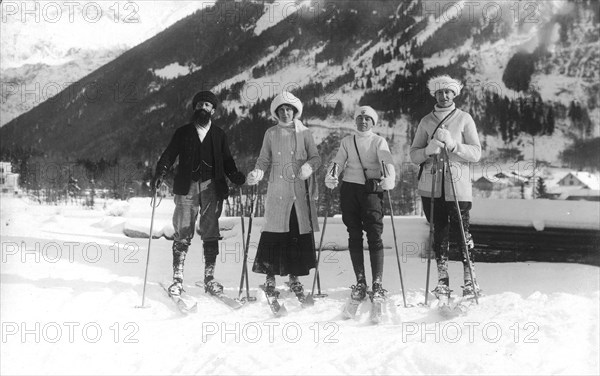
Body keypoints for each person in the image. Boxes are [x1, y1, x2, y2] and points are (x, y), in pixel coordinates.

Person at [153, 90, 246, 297]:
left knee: (211, 230)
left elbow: (228, 160)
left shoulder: (219, 134)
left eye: (207, 105)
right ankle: (177, 278)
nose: (203, 108)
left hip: (212, 187)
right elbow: (169, 155)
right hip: (187, 186)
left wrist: (235, 175)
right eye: (200, 104)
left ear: (213, 110)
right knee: (183, 230)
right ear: (195, 108)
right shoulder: (183, 132)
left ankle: (209, 277)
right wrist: (161, 172)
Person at [409, 75, 482, 301]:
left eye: (448, 92)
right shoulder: (425, 121)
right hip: (431, 187)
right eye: (439, 92)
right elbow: (413, 154)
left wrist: (454, 145)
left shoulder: (464, 118)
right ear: (435, 95)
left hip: (457, 186)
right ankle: (442, 279)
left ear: (454, 94)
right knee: (438, 232)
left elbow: (476, 153)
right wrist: (428, 150)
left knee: (463, 232)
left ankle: (470, 278)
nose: (444, 96)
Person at [246, 91, 321, 298]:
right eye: (282, 110)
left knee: (295, 232)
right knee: (273, 231)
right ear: (276, 113)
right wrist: (257, 173)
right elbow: (263, 159)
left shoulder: (304, 133)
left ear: (295, 111)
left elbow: (316, 158)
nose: (286, 113)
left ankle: (294, 277)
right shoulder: (270, 133)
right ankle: (270, 276)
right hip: (277, 188)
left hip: (298, 190)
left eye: (289, 109)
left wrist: (308, 167)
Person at [324, 105, 396, 302]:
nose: (363, 122)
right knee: (353, 233)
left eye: (367, 119)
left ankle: (377, 283)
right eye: (360, 118)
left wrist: (389, 176)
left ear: (373, 122)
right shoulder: (348, 141)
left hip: (371, 191)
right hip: (349, 190)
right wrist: (331, 175)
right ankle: (361, 281)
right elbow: (339, 161)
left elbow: (385, 160)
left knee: (374, 233)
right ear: (355, 121)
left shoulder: (378, 141)